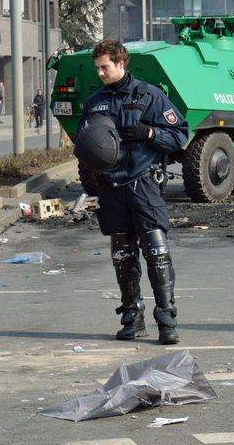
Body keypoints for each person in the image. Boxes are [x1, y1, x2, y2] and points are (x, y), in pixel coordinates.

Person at [75, 39, 188, 344]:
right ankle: (132, 319)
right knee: (123, 255)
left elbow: (180, 134)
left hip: (143, 184)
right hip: (111, 187)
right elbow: (83, 143)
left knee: (157, 252)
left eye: (105, 67)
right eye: (97, 68)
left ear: (121, 63)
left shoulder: (150, 95)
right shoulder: (94, 101)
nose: (100, 73)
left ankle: (167, 322)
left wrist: (150, 133)